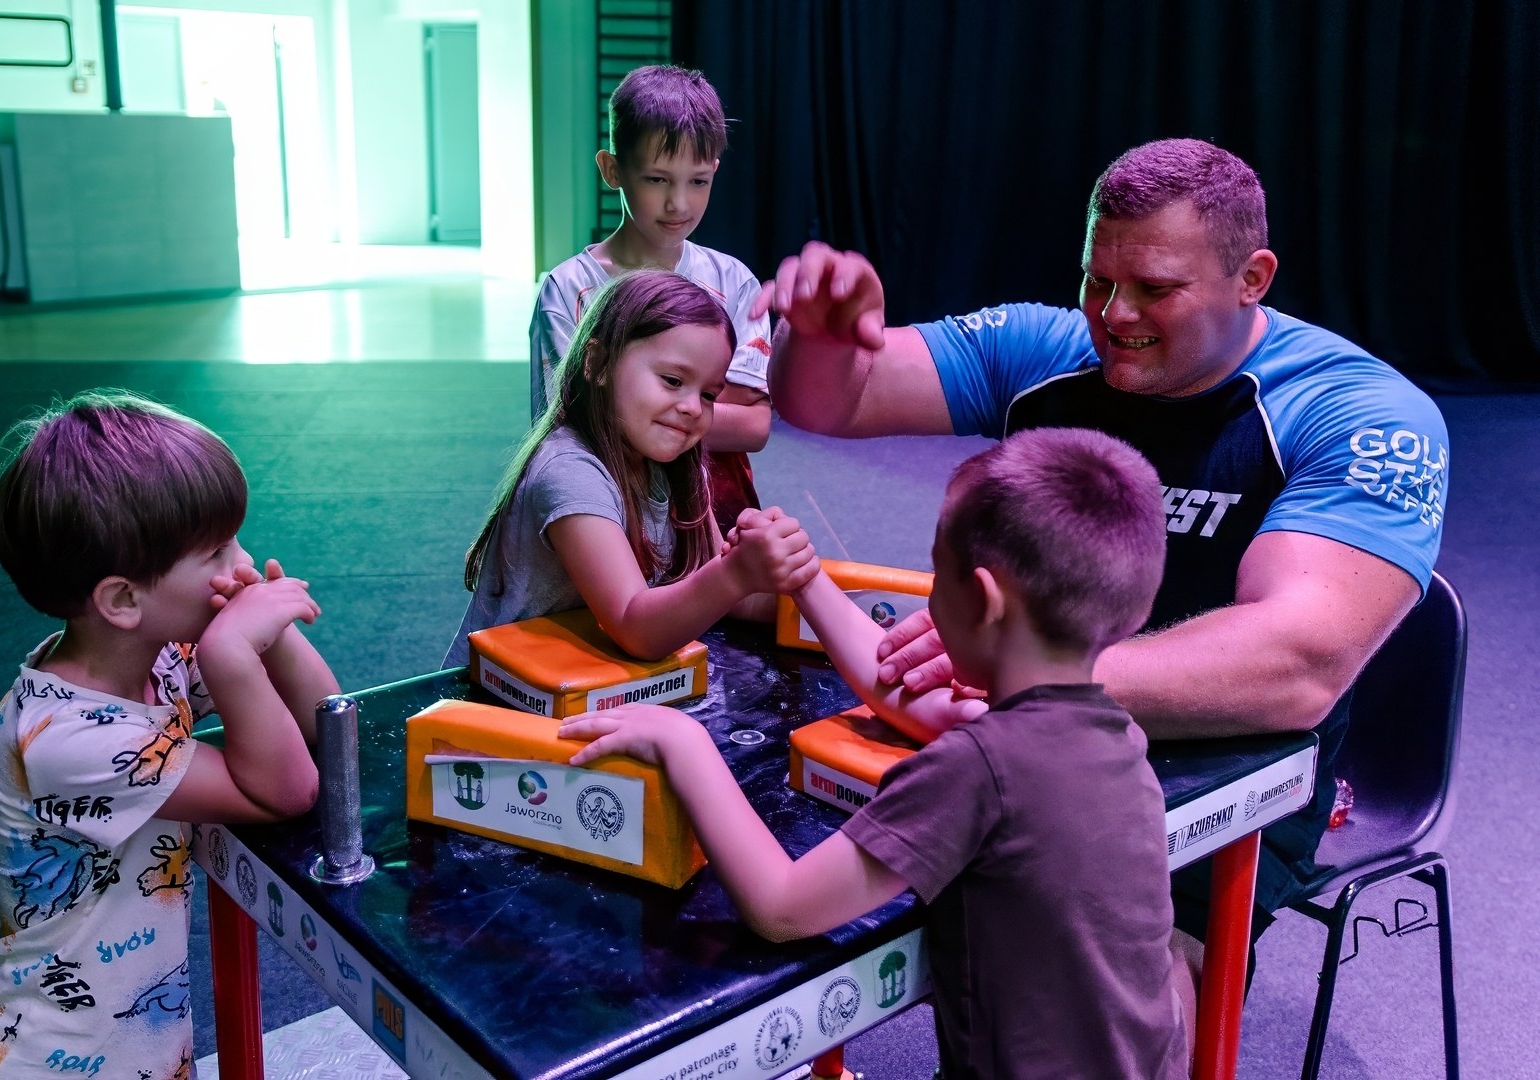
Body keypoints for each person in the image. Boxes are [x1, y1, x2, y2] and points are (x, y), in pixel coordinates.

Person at [757, 138, 1449, 993]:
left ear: (1253, 277)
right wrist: (821, 339)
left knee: (1111, 1016)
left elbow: (1297, 663)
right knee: (817, 929)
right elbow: (829, 399)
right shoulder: (1046, 349)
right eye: (1096, 281)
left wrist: (1032, 678)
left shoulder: (1361, 412)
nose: (1114, 315)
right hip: (1028, 728)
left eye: (1155, 288)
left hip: (1226, 771)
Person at [561, 428, 1189, 1078]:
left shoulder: (978, 769)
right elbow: (902, 692)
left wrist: (684, 743)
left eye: (935, 574)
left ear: (980, 599)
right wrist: (806, 581)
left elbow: (782, 909)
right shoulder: (1113, 735)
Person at [0, 390, 338, 1078]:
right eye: (216, 551)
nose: (239, 565)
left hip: (132, 1040)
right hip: (52, 1056)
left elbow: (324, 723)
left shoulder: (158, 656)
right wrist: (235, 653)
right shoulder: (67, 740)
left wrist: (266, 634)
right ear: (122, 599)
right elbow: (289, 788)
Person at [447, 269, 816, 669]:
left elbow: (732, 598)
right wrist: (736, 573)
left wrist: (789, 581)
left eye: (709, 394)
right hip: (499, 704)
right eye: (673, 381)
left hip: (592, 683)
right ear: (597, 364)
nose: (694, 406)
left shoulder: (676, 466)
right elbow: (634, 625)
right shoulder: (570, 472)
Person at [529, 63, 773, 535]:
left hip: (711, 511)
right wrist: (710, 404)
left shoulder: (734, 281)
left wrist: (635, 401)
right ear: (613, 169)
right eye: (658, 179)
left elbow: (755, 427)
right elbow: (566, 428)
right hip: (605, 512)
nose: (678, 204)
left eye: (698, 181)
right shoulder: (568, 289)